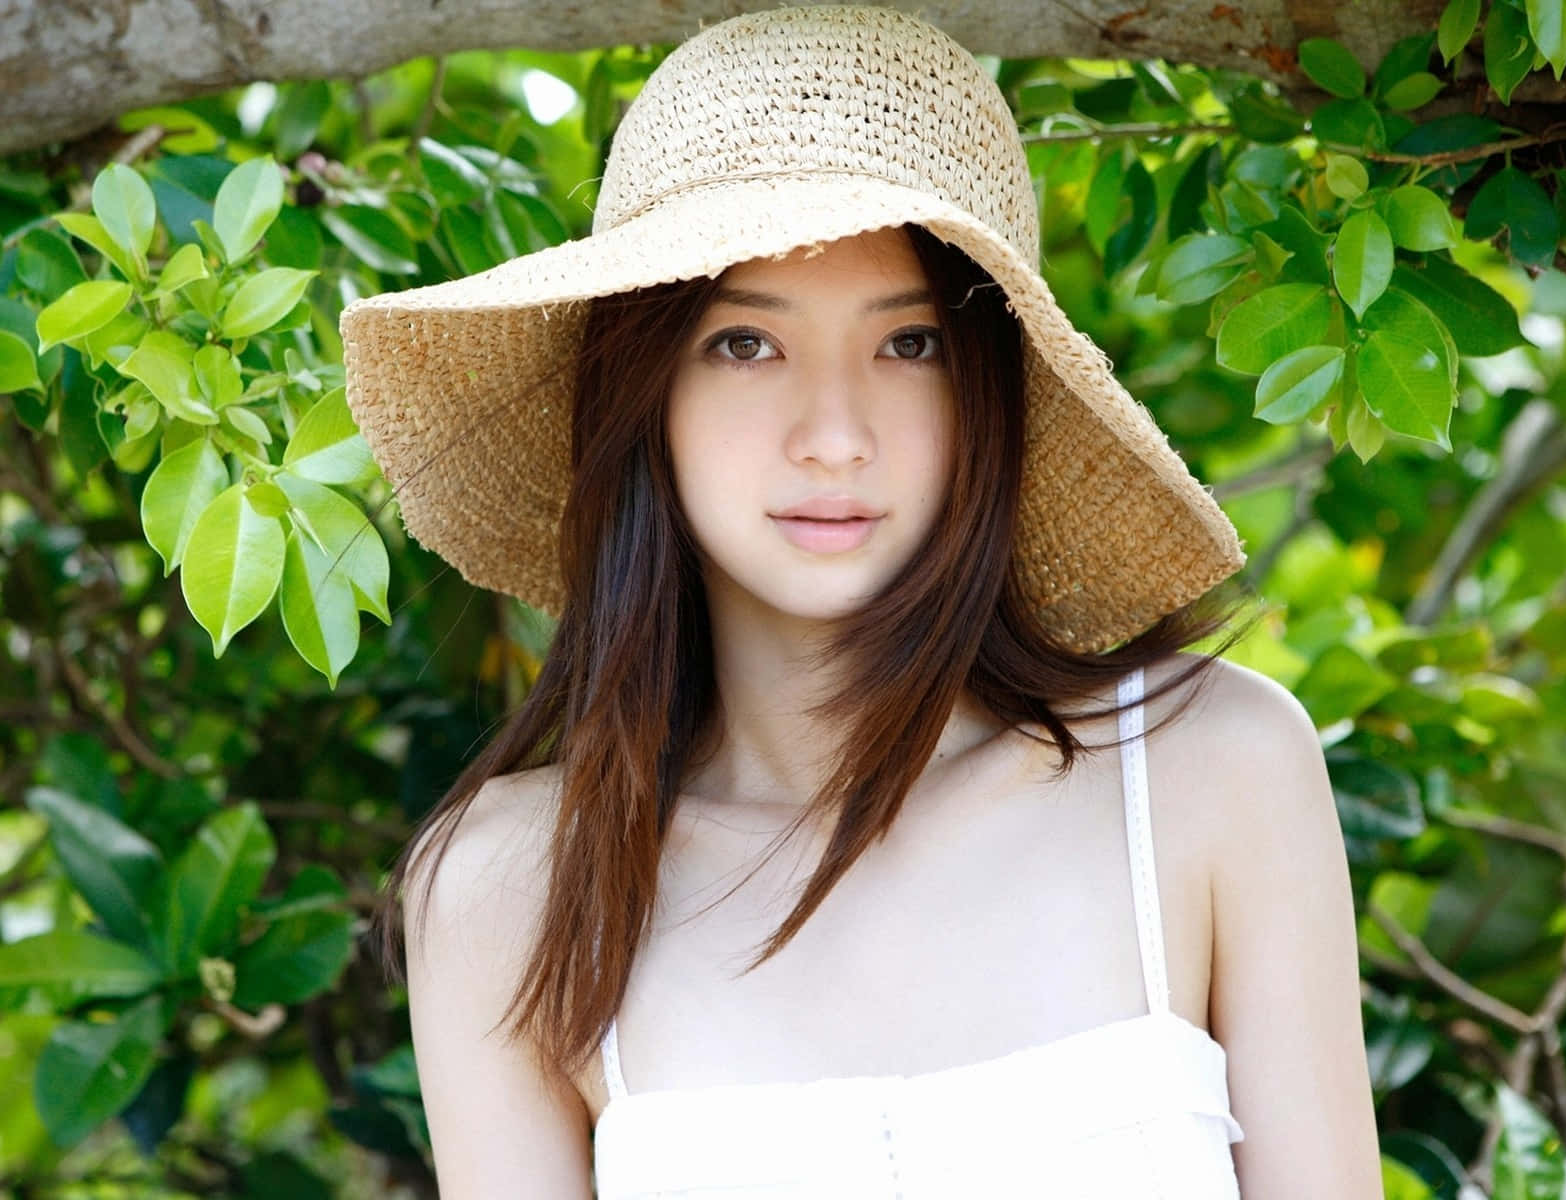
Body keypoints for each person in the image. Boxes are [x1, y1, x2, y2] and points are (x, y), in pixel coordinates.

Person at [338, 6, 1380, 1197]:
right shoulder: (511, 886)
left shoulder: (1206, 773)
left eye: (911, 345)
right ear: (646, 392)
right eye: (744, 343)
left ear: (987, 390)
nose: (833, 437)